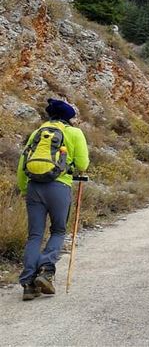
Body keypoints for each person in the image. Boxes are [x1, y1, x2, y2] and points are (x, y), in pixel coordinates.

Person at [17, 98, 90, 301]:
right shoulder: (74, 133)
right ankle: (46, 271)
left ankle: (28, 285)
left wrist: (25, 188)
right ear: (69, 118)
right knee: (58, 230)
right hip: (59, 187)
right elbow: (83, 163)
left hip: (34, 188)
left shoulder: (37, 133)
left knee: (34, 236)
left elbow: (23, 162)